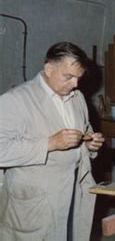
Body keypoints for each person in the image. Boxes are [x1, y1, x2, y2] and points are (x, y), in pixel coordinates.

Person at [0, 42, 105, 240]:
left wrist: (89, 144)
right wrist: (49, 143)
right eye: (68, 77)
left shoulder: (77, 98)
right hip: (34, 200)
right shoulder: (16, 99)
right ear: (49, 69)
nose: (75, 84)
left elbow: (85, 131)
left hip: (72, 193)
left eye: (78, 78)